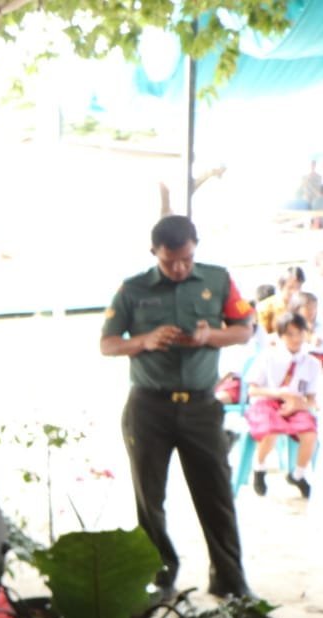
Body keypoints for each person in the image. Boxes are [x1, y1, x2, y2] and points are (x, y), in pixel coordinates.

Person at [100, 213, 254, 598]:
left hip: (202, 407)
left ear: (195, 248)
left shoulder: (217, 280)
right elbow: (107, 343)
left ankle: (229, 580)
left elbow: (244, 329)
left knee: (216, 494)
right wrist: (145, 341)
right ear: (155, 252)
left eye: (186, 258)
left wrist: (210, 336)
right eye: (170, 261)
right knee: (149, 498)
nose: (179, 267)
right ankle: (161, 575)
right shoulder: (132, 289)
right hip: (148, 408)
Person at [246, 311, 319, 498]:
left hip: (295, 405)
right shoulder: (269, 357)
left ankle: (297, 474)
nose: (296, 338)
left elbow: (312, 399)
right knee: (271, 430)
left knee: (310, 433)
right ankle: (259, 468)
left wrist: (298, 404)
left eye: (299, 333)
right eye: (290, 334)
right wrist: (277, 393)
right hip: (267, 401)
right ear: (281, 336)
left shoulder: (311, 362)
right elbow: (252, 390)